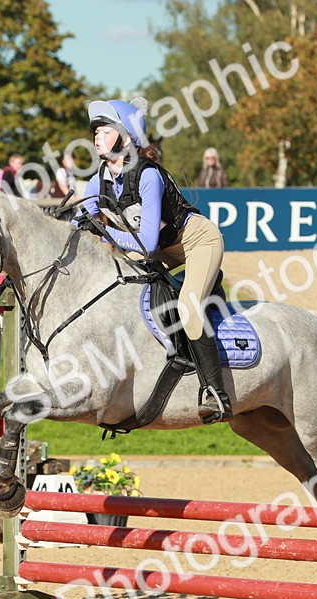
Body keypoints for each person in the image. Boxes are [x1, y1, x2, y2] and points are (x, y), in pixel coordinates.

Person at [74, 97, 231, 424]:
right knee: (121, 281)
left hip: (197, 241)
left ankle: (217, 393)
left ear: (126, 137)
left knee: (189, 306)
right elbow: (78, 220)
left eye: (105, 130)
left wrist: (106, 234)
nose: (96, 136)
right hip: (161, 248)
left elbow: (144, 243)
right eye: (96, 131)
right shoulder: (99, 179)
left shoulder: (148, 176)